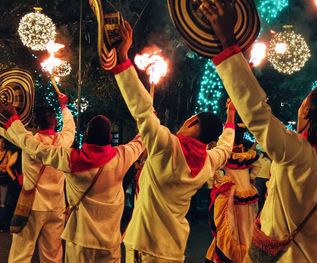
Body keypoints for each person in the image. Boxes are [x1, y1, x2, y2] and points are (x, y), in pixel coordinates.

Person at [201, 1, 317, 262]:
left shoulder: (297, 155)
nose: (300, 109)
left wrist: (227, 42)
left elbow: (256, 112)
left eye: (305, 106)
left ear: (312, 119)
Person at [102, 21, 235, 262]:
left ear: (193, 121)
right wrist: (231, 120)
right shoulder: (207, 163)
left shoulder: (166, 145)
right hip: (173, 248)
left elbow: (141, 109)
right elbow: (225, 148)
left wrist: (123, 58)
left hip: (146, 245)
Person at [0, 103, 144, 262]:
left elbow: (30, 145)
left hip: (70, 234)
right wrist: (148, 118)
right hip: (99, 235)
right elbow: (139, 142)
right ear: (110, 137)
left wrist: (13, 120)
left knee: (22, 252)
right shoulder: (121, 157)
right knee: (52, 255)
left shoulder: (69, 159)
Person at [0, 95, 75, 262]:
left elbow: (10, 132)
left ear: (35, 123)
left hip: (32, 205)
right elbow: (70, 127)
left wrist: (11, 117)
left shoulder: (29, 142)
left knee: (21, 252)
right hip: (57, 206)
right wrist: (64, 107)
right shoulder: (63, 143)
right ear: (55, 122)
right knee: (53, 254)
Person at [206, 128, 259, 262]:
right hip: (247, 194)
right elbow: (257, 167)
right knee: (247, 225)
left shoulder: (226, 154)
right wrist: (250, 178)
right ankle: (247, 255)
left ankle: (232, 255)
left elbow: (214, 169)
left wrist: (219, 182)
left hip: (231, 195)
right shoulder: (248, 155)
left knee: (232, 227)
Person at [0, 136, 12, 231]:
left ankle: (1, 224)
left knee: (3, 202)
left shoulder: (8, 153)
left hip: (4, 180)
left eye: (2, 142)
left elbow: (8, 166)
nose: (1, 144)